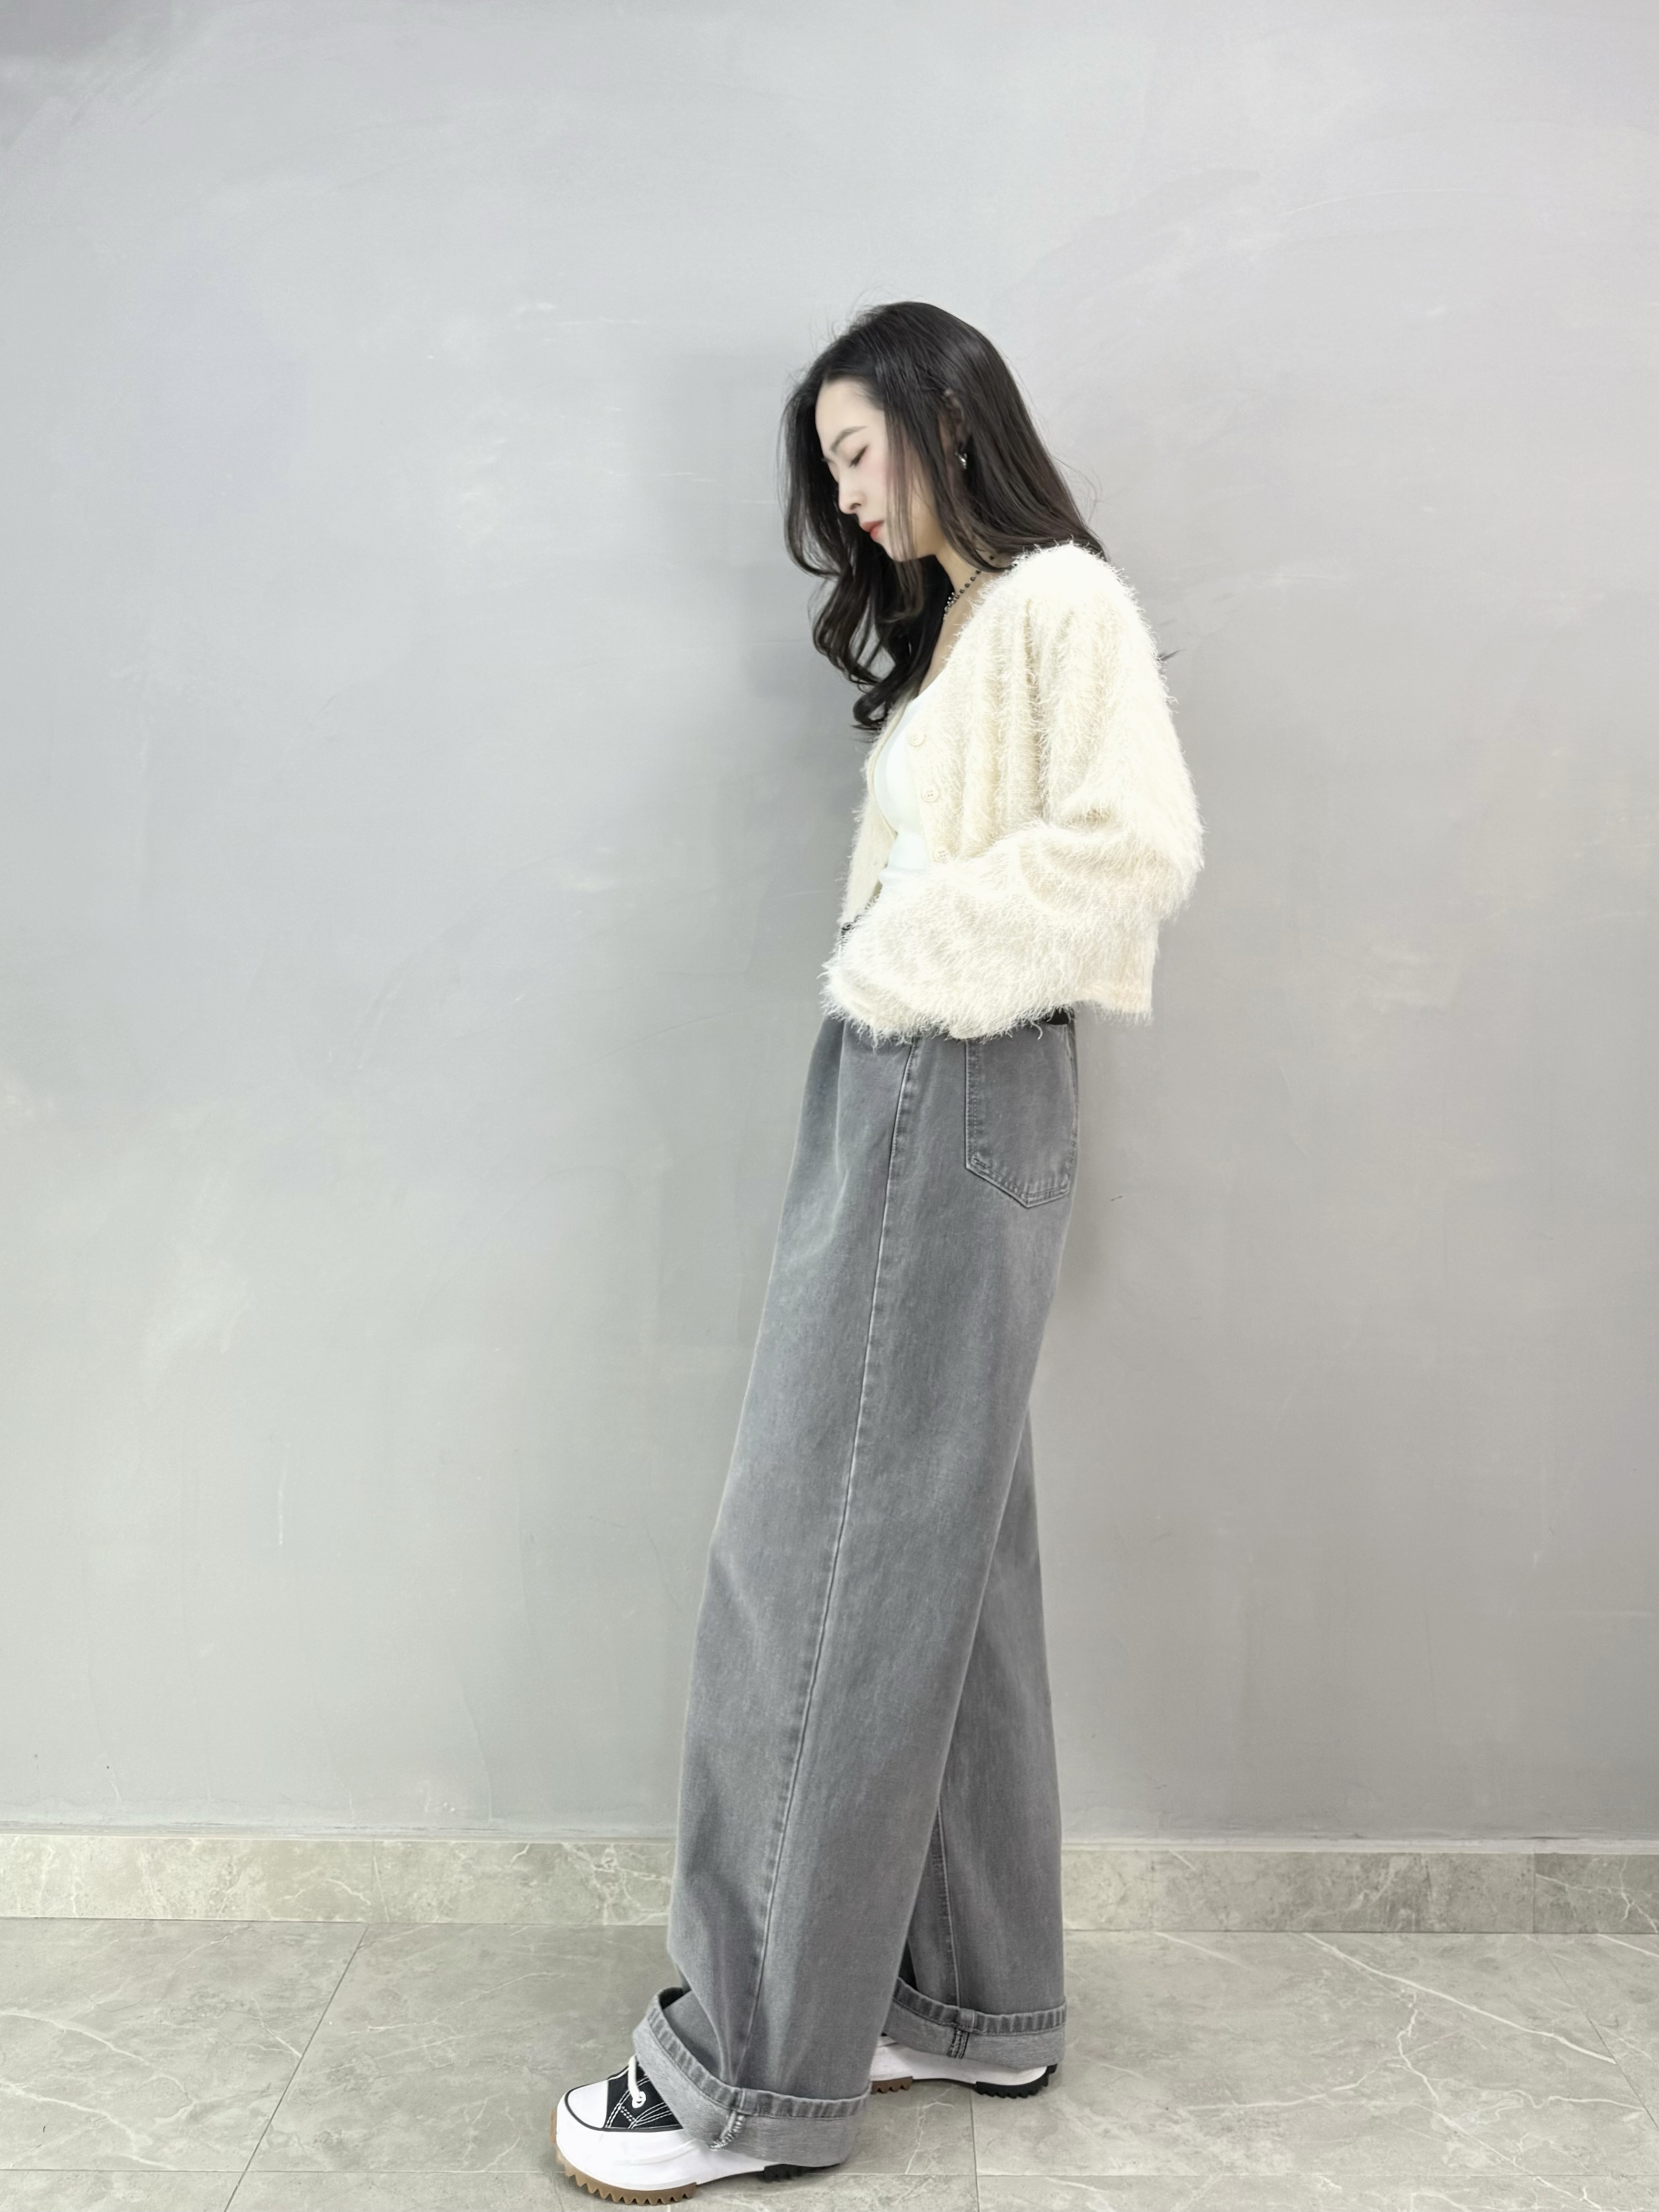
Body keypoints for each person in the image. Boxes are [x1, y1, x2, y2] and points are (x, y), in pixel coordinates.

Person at [553, 300, 1204, 2202]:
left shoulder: (1058, 602)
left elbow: (1140, 842)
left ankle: (743, 2072)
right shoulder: (971, 632)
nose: (844, 499)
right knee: (941, 1556)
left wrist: (904, 958)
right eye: (829, 469)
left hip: (951, 1071)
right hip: (940, 1084)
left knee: (816, 1556)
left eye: (857, 451)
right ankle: (975, 1997)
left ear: (947, 419)